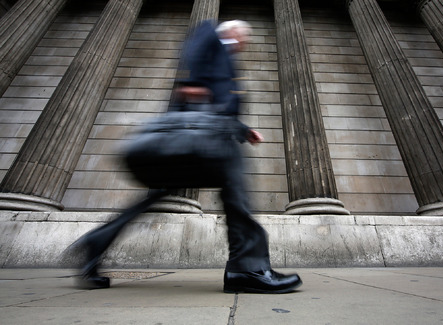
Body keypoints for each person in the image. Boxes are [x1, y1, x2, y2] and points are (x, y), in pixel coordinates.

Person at [66, 20, 302, 294]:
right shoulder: (211, 35)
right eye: (242, 36)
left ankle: (96, 242)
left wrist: (243, 130)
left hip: (208, 134)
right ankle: (247, 269)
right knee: (237, 194)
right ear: (231, 31)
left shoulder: (227, 56)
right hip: (208, 135)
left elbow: (223, 99)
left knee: (161, 195)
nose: (243, 43)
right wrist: (193, 83)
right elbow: (197, 55)